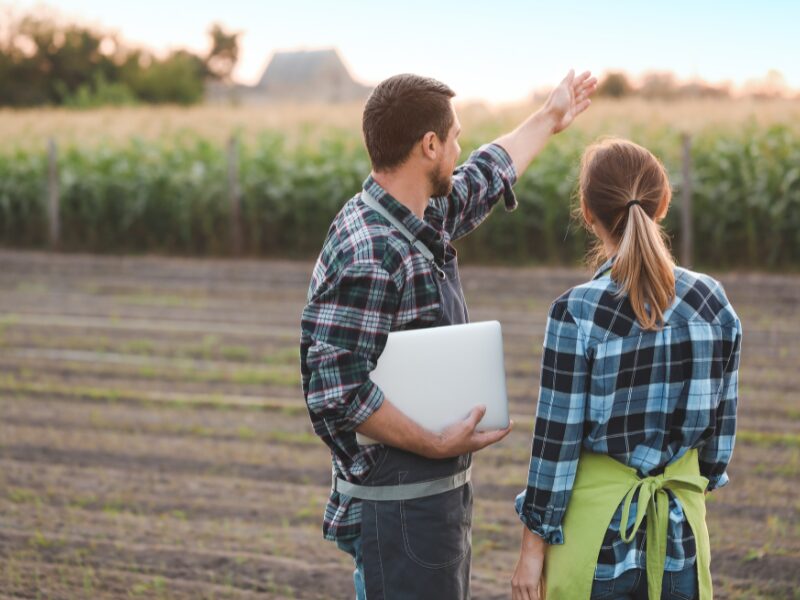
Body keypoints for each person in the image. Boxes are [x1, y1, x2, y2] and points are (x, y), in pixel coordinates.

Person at [300, 70, 597, 600]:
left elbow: (487, 173)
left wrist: (550, 118)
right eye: (455, 137)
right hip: (400, 512)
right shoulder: (371, 250)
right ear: (428, 145)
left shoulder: (414, 216)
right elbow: (335, 390)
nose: (461, 148)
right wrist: (437, 442)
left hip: (425, 504)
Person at [511, 138, 743, 600]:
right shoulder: (713, 303)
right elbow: (717, 449)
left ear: (587, 211)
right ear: (662, 204)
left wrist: (532, 549)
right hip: (679, 541)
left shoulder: (577, 313)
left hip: (596, 548)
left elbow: (555, 446)